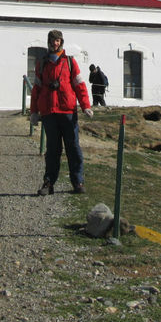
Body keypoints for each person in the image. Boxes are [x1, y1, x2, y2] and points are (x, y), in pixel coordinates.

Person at [30, 29, 93, 196]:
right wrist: (34, 112)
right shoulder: (42, 63)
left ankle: (77, 182)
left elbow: (79, 85)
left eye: (57, 40)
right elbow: (36, 89)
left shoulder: (70, 62)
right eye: (52, 40)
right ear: (48, 42)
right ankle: (48, 183)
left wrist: (86, 105)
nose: (55, 43)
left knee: (73, 148)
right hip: (49, 112)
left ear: (61, 42)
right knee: (52, 150)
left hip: (68, 111)